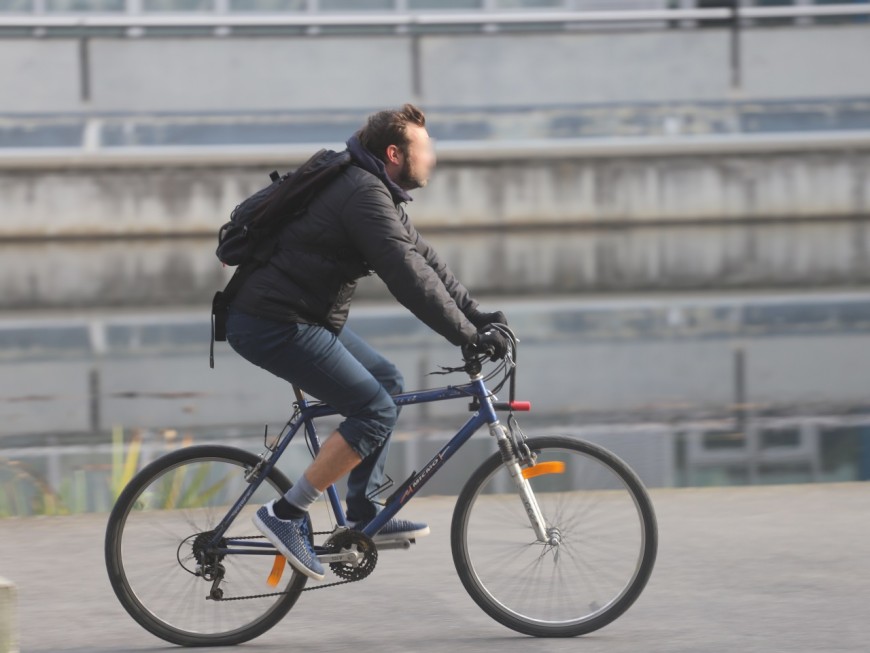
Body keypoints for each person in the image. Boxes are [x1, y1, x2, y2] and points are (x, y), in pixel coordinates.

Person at [225, 103, 509, 581]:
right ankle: (286, 514)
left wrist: (478, 317)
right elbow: (408, 278)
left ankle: (362, 512)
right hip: (271, 322)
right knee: (374, 411)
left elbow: (425, 261)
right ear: (395, 154)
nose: (432, 157)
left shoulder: (374, 188)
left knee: (387, 382)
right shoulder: (363, 194)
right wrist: (465, 336)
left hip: (300, 315)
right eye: (425, 148)